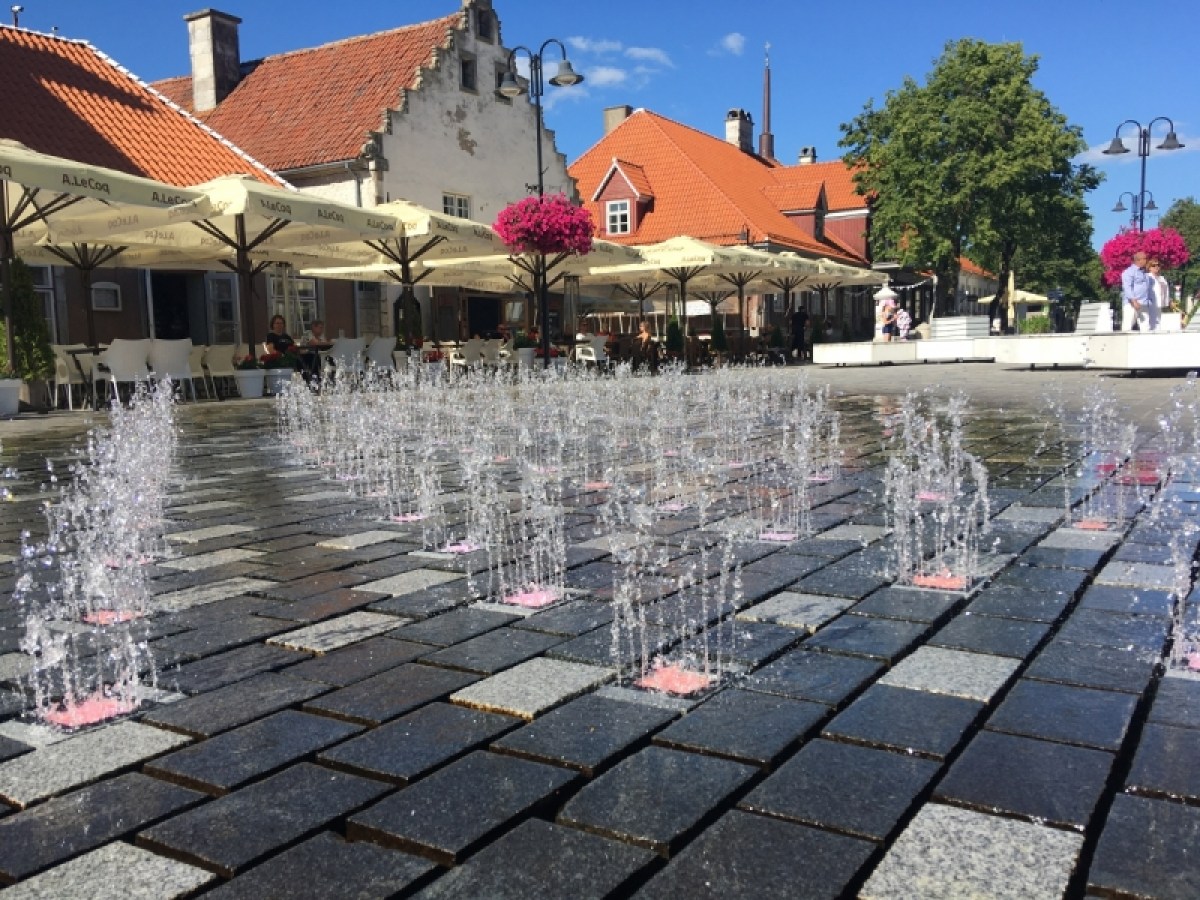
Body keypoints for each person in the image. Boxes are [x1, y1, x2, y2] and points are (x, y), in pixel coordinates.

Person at [1121, 251, 1150, 332]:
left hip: (1143, 303)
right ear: (1138, 260)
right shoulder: (1129, 272)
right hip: (1132, 304)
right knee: (1128, 326)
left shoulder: (1144, 272)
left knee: (1146, 327)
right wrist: (1133, 301)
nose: (1146, 260)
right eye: (1144, 259)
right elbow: (1127, 288)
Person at [1147, 259, 1171, 331]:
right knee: (1152, 320)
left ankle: (1157, 333)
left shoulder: (1161, 278)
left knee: (1158, 320)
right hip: (1151, 302)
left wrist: (1168, 300)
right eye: (1154, 265)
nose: (1156, 267)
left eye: (1158, 265)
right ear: (1149, 267)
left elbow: (1166, 290)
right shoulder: (1148, 277)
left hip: (1160, 302)